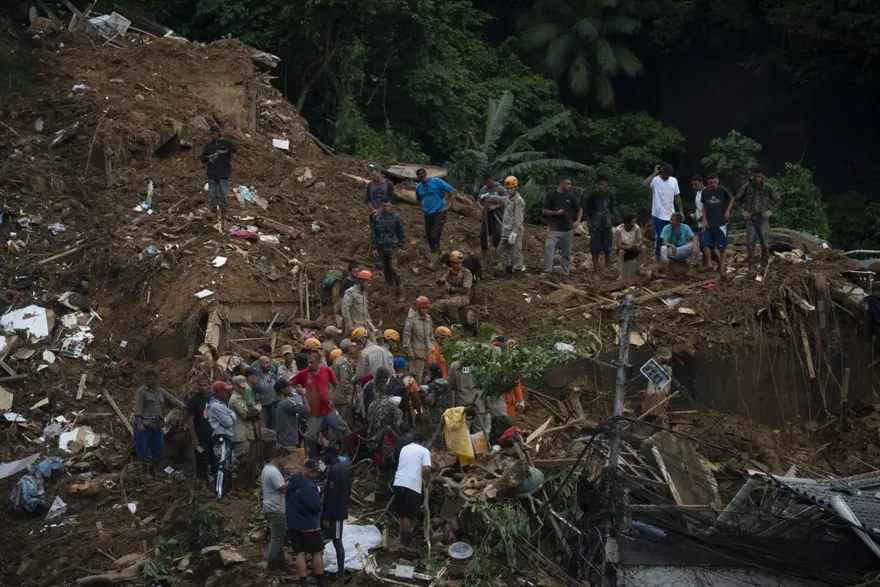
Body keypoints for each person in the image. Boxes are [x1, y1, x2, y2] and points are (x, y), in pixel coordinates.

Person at [289, 350, 350, 457]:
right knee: (309, 437)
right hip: (313, 413)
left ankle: (350, 451)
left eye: (312, 363)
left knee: (345, 429)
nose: (309, 365)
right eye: (308, 362)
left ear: (318, 362)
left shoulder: (326, 370)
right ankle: (312, 458)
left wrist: (332, 398)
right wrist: (298, 389)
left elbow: (336, 385)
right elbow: (290, 382)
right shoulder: (304, 373)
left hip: (328, 410)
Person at [132, 370, 184, 472]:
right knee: (142, 448)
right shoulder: (141, 392)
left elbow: (171, 399)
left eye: (151, 379)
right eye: (147, 379)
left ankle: (153, 467)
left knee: (160, 447)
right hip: (143, 425)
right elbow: (137, 409)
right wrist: (139, 424)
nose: (149, 381)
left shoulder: (160, 391)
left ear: (156, 379)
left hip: (156, 425)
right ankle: (144, 470)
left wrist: (183, 406)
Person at [286, 459, 327, 587]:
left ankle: (304, 582)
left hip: (293, 524)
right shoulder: (309, 486)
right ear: (306, 470)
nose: (315, 475)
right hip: (309, 524)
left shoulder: (291, 483)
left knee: (300, 552)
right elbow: (316, 506)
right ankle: (321, 582)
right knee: (317, 551)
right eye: (313, 472)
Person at [735, 166, 780, 267]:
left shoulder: (767, 187)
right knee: (750, 242)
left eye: (759, 177)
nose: (757, 179)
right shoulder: (747, 187)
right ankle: (751, 265)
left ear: (762, 176)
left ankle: (764, 265)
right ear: (752, 176)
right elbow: (737, 199)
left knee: (764, 242)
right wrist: (743, 211)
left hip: (763, 219)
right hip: (751, 219)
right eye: (755, 177)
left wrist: (771, 211)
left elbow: (778, 200)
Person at [393, 433, 431, 545]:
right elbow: (427, 469)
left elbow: (409, 466)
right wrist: (427, 482)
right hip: (412, 486)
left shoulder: (405, 448)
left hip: (398, 482)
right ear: (423, 442)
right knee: (408, 516)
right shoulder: (424, 451)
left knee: (401, 514)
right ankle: (406, 543)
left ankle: (400, 540)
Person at [322, 445, 351, 583]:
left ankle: (340, 574)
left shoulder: (334, 470)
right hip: (339, 510)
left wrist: (327, 516)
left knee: (337, 542)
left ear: (330, 455)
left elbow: (332, 495)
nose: (323, 458)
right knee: (334, 540)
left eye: (325, 455)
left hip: (335, 513)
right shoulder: (343, 466)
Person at [542, 177, 580, 277]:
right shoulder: (551, 195)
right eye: (568, 184)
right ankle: (547, 271)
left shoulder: (571, 196)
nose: (570, 186)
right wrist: (556, 213)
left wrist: (578, 221)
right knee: (548, 246)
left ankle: (565, 273)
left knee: (566, 252)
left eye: (570, 184)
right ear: (562, 183)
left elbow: (579, 209)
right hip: (554, 228)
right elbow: (544, 211)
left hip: (568, 229)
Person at [644, 163, 683, 258]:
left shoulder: (674, 181)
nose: (666, 177)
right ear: (661, 172)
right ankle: (658, 256)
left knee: (672, 236)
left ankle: (671, 256)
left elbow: (677, 198)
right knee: (660, 237)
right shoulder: (655, 179)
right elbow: (645, 184)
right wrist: (654, 173)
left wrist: (681, 212)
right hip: (658, 214)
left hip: (671, 214)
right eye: (664, 175)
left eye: (668, 176)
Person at [578, 174, 615, 270]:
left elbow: (611, 209)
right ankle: (595, 265)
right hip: (595, 225)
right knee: (595, 246)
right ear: (597, 185)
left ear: (606, 184)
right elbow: (588, 209)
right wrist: (591, 222)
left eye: (603, 184)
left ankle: (608, 265)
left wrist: (610, 219)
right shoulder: (592, 195)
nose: (601, 186)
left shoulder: (609, 195)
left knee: (608, 246)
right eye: (599, 184)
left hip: (606, 224)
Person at [700, 172, 735, 276]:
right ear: (708, 182)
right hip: (709, 221)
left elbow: (732, 199)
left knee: (722, 246)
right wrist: (704, 219)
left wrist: (728, 211)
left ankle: (722, 268)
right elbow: (704, 205)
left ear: (717, 181)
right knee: (705, 242)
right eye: (711, 183)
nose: (713, 184)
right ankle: (710, 264)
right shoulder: (705, 191)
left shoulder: (722, 190)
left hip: (720, 222)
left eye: (715, 182)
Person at [199, 124, 237, 217]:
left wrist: (224, 151)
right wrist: (209, 157)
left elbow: (234, 149)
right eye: (211, 134)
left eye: (214, 133)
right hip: (212, 173)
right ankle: (213, 211)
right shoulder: (209, 145)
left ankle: (224, 211)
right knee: (212, 194)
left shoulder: (225, 143)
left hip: (223, 173)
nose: (213, 135)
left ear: (218, 133)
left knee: (223, 193)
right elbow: (203, 157)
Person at [262, 447, 290, 572]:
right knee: (277, 538)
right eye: (286, 459)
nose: (286, 462)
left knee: (278, 536)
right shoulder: (273, 471)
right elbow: (282, 488)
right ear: (280, 457)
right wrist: (293, 480)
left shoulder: (267, 469)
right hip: (276, 509)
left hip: (270, 507)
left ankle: (281, 565)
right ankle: (272, 566)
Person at [207, 381, 237, 500]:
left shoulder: (221, 403)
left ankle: (226, 491)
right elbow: (229, 421)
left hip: (225, 437)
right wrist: (231, 417)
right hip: (220, 438)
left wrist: (231, 416)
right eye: (224, 390)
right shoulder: (215, 406)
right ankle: (220, 494)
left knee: (227, 465)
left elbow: (232, 415)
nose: (226, 392)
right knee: (222, 465)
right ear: (217, 392)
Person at [415, 168, 454, 254]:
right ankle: (435, 252)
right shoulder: (418, 187)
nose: (423, 179)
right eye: (420, 177)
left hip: (439, 212)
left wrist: (448, 205)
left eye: (424, 176)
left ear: (426, 174)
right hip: (427, 213)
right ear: (418, 178)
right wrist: (423, 206)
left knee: (434, 234)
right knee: (429, 237)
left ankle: (436, 252)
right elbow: (418, 199)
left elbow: (450, 189)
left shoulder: (436, 181)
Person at [371, 197, 406, 295]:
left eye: (388, 206)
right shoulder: (376, 217)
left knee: (393, 267)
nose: (387, 208)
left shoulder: (396, 217)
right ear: (381, 205)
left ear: (391, 206)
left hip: (393, 246)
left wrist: (401, 246)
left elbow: (401, 232)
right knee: (386, 268)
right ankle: (390, 287)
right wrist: (374, 247)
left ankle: (400, 288)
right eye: (384, 206)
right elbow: (374, 233)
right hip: (381, 246)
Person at [431, 251, 474, 325]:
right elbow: (441, 281)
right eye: (456, 262)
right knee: (432, 308)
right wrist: (441, 281)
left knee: (451, 303)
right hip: (450, 296)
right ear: (451, 263)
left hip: (463, 296)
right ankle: (443, 324)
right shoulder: (450, 271)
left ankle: (457, 325)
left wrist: (453, 289)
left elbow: (465, 289)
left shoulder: (467, 273)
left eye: (460, 262)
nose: (458, 264)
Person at [229, 376, 258, 484]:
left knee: (245, 460)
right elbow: (245, 416)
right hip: (239, 433)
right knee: (240, 460)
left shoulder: (241, 397)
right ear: (235, 386)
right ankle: (236, 485)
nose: (244, 389)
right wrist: (256, 410)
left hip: (245, 432)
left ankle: (242, 483)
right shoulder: (235, 399)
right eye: (241, 387)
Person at [186, 374, 214, 481]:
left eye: (205, 385)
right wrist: (194, 439)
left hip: (211, 435)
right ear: (197, 385)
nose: (203, 387)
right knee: (201, 459)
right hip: (200, 437)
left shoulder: (211, 397)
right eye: (201, 385)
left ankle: (210, 481)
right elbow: (190, 420)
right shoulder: (193, 400)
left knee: (211, 460)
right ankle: (201, 483)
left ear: (208, 385)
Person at [497, 176, 525, 278]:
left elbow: (518, 219)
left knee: (516, 251)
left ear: (515, 187)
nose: (509, 190)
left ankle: (517, 271)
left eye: (511, 188)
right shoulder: (508, 199)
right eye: (507, 188)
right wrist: (487, 197)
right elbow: (499, 199)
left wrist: (514, 232)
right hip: (506, 230)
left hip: (515, 231)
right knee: (500, 251)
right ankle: (508, 269)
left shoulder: (518, 201)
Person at [476, 175, 509, 262]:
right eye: (485, 182)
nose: (487, 183)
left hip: (497, 217)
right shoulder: (483, 189)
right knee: (483, 237)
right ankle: (484, 259)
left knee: (496, 238)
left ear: (491, 179)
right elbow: (478, 201)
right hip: (486, 217)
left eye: (488, 181)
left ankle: (500, 259)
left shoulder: (501, 189)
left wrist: (495, 207)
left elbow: (507, 201)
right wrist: (482, 208)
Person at [402, 296, 433, 383]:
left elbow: (431, 335)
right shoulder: (411, 319)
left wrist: (434, 349)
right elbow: (406, 337)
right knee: (416, 380)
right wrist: (409, 352)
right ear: (419, 308)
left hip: (429, 354)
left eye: (427, 308)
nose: (426, 310)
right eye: (424, 308)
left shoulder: (428, 319)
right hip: (417, 355)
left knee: (428, 379)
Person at [274, 379, 310, 453]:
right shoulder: (285, 403)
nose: (290, 389)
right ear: (282, 390)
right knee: (290, 461)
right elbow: (307, 409)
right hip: (289, 439)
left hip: (282, 437)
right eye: (288, 387)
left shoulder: (277, 401)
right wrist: (303, 395)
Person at [341, 270, 377, 343]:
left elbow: (366, 311)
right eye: (368, 282)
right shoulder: (350, 292)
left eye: (370, 283)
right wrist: (350, 327)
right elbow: (345, 310)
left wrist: (371, 325)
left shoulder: (364, 293)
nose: (370, 285)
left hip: (367, 326)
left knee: (374, 345)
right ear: (361, 281)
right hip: (356, 327)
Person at [422, 363, 452, 443]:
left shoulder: (434, 385)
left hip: (436, 412)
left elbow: (429, 401)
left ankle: (437, 447)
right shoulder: (447, 382)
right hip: (447, 410)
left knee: (436, 429)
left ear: (432, 373)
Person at [391, 358, 422, 430]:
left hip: (391, 410)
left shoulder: (389, 379)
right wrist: (419, 413)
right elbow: (416, 399)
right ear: (404, 367)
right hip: (404, 410)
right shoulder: (409, 380)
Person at [365, 163, 395, 231]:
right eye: (370, 175)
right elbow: (367, 200)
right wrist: (373, 210)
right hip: (374, 214)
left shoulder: (388, 184)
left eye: (374, 175)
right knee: (374, 233)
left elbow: (390, 199)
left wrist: (379, 210)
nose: (372, 177)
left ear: (379, 173)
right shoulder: (369, 185)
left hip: (386, 214)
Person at [330, 343, 355, 423]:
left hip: (336, 395)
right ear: (349, 349)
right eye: (352, 347)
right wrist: (349, 396)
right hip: (342, 397)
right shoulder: (344, 362)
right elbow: (345, 381)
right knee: (344, 421)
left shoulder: (338, 359)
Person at [613, 214, 643, 280]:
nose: (634, 223)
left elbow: (640, 240)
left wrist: (637, 245)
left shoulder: (636, 227)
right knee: (621, 252)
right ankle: (620, 274)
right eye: (633, 222)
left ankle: (638, 269)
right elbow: (619, 245)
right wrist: (629, 247)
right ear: (627, 223)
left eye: (635, 221)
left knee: (643, 249)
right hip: (624, 249)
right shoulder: (618, 230)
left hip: (633, 248)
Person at [253, 356, 279, 430]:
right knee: (263, 430)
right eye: (266, 363)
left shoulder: (274, 376)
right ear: (260, 364)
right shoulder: (256, 377)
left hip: (274, 407)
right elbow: (253, 392)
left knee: (274, 429)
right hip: (262, 408)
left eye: (269, 362)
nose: (269, 364)